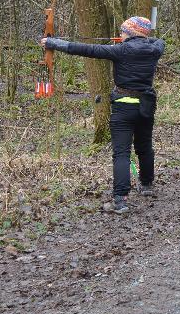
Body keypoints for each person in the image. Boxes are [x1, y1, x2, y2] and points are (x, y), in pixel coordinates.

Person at [40, 16, 165, 214]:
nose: (120, 35)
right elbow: (158, 41)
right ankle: (147, 185)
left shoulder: (121, 50)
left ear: (131, 33)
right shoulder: (154, 49)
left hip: (124, 108)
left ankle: (120, 200)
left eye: (123, 32)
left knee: (122, 153)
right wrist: (139, 39)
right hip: (145, 107)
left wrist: (52, 43)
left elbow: (85, 49)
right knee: (144, 147)